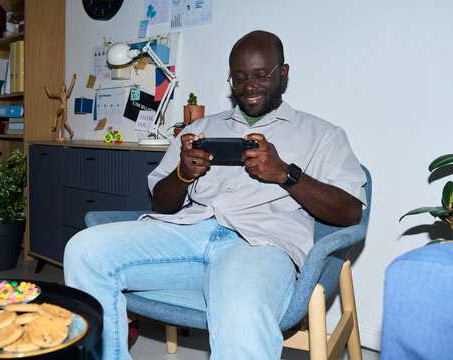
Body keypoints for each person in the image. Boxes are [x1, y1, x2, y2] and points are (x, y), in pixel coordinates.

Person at [64, 30, 367, 360]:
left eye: (259, 75)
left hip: (259, 247)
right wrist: (183, 174)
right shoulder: (199, 129)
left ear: (283, 73)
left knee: (241, 304)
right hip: (187, 235)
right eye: (238, 78)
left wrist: (285, 173)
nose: (248, 87)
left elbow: (350, 212)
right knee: (83, 250)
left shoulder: (323, 135)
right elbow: (161, 203)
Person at [44, 73, 76, 141]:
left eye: (63, 87)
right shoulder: (59, 94)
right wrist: (47, 89)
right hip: (61, 107)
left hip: (64, 108)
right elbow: (51, 94)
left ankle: (71, 132)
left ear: (64, 88)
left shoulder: (66, 94)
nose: (62, 88)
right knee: (56, 114)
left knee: (64, 122)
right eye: (61, 87)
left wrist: (73, 78)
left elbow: (71, 86)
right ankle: (55, 126)